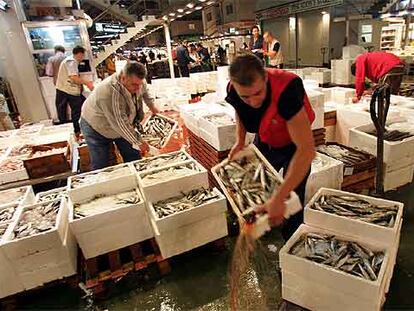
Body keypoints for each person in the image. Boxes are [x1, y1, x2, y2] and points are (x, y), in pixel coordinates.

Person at [225, 54, 316, 240]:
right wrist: (239, 141)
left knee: (293, 196)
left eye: (258, 93)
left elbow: (306, 151)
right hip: (266, 139)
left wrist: (280, 197)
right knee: (255, 185)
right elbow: (241, 113)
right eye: (245, 96)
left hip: (294, 144)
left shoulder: (287, 88)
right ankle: (262, 222)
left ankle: (292, 240)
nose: (253, 102)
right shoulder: (234, 91)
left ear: (265, 77)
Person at [80, 62, 158, 170]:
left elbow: (145, 93)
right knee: (101, 164)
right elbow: (119, 122)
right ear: (122, 78)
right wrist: (138, 141)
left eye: (140, 84)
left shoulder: (138, 81)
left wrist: (153, 107)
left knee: (134, 157)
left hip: (121, 125)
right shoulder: (109, 92)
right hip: (96, 126)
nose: (138, 87)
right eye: (134, 85)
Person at [55, 45, 93, 136]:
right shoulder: (71, 61)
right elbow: (73, 78)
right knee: (76, 110)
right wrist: (87, 83)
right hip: (67, 90)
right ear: (79, 54)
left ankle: (77, 129)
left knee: (82, 105)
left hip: (65, 89)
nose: (83, 58)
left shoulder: (71, 60)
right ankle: (77, 131)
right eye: (83, 55)